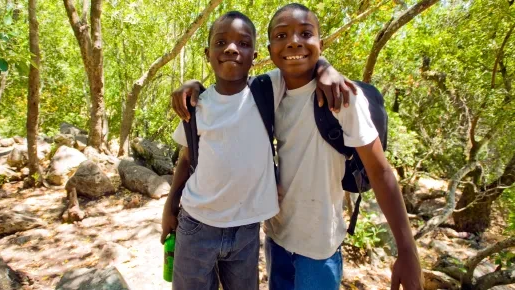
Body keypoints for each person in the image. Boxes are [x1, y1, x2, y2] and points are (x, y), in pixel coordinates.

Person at [171, 4, 424, 290]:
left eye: (305, 33)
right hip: (276, 238)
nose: (293, 42)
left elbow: (382, 173)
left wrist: (407, 250)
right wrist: (192, 85)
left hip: (319, 249)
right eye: (282, 36)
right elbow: (227, 97)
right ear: (268, 50)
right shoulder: (267, 89)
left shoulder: (342, 97)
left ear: (320, 42)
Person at [160, 11, 279, 290]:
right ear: (207, 53)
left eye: (243, 43)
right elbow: (187, 158)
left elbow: (304, 65)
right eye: (221, 42)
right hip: (196, 226)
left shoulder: (268, 92)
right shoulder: (197, 105)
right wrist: (169, 207)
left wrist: (325, 68)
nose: (231, 48)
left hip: (247, 230)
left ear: (255, 54)